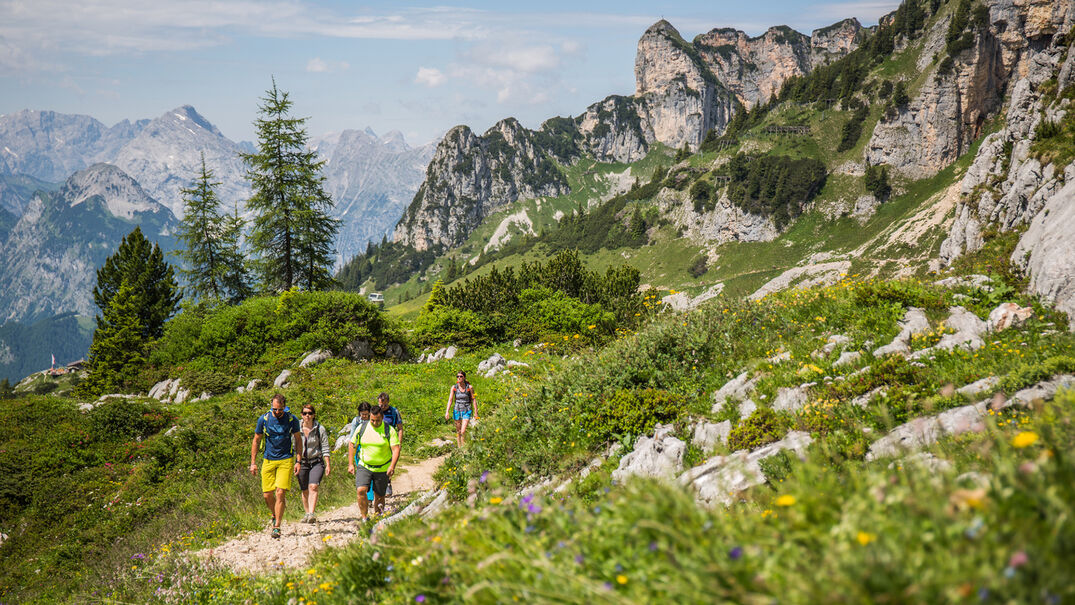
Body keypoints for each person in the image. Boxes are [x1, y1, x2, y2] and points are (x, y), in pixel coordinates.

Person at [250, 393, 302, 539]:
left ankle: (277, 526)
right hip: (268, 459)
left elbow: (298, 440)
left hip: (286, 459)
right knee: (267, 495)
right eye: (275, 410)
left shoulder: (292, 420)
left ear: (284, 407)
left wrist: (298, 461)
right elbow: (256, 440)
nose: (277, 412)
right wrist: (253, 463)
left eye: (280, 410)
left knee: (280, 492)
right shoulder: (264, 419)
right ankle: (274, 514)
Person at [348, 406, 400, 521]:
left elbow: (396, 449)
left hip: (382, 468)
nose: (375, 423)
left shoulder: (389, 430)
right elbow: (352, 444)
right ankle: (364, 517)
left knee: (380, 496)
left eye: (377, 420)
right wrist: (351, 463)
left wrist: (392, 466)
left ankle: (378, 518)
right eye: (372, 420)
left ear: (382, 418)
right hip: (364, 465)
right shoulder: (362, 427)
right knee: (361, 490)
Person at [296, 404, 331, 523]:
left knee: (313, 486)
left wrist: (328, 464)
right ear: (301, 415)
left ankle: (311, 513)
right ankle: (306, 513)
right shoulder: (296, 429)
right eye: (305, 413)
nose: (307, 416)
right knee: (304, 489)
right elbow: (293, 446)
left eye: (310, 413)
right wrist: (296, 462)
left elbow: (325, 446)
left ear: (314, 415)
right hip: (302, 462)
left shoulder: (320, 429)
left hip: (317, 461)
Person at [348, 401, 375, 507]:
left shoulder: (373, 420)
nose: (364, 416)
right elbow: (352, 437)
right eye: (362, 414)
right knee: (362, 472)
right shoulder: (356, 421)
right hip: (359, 448)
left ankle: (370, 497)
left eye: (366, 414)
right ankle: (364, 495)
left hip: (371, 447)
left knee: (371, 471)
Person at [377, 392, 403, 495]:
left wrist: (399, 443)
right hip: (378, 441)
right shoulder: (376, 411)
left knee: (390, 463)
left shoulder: (394, 411)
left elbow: (400, 428)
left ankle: (388, 483)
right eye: (380, 404)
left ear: (388, 402)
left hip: (390, 441)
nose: (382, 407)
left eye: (384, 405)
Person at [445, 371, 477, 447]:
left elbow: (473, 400)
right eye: (457, 376)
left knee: (463, 431)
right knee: (458, 431)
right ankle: (460, 448)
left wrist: (476, 412)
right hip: (457, 410)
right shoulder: (454, 387)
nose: (459, 378)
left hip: (467, 410)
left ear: (464, 377)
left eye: (461, 376)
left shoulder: (469, 387)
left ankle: (464, 449)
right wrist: (447, 411)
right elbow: (450, 400)